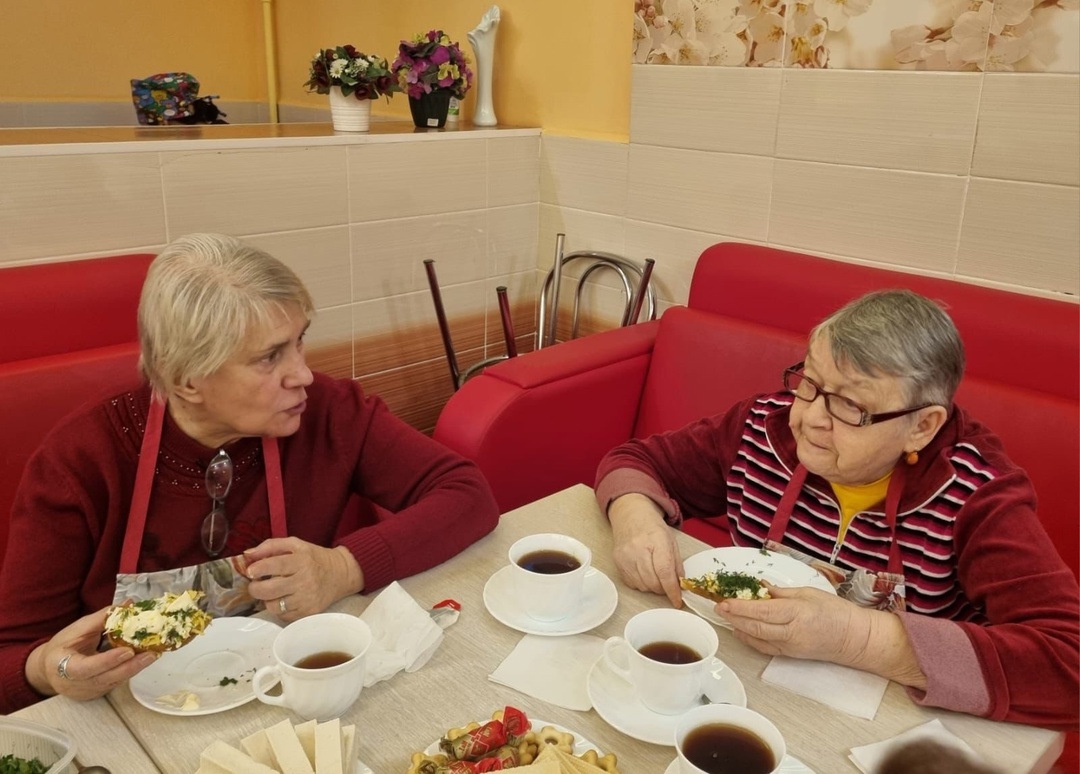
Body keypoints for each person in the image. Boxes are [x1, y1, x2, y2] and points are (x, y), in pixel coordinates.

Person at [0, 233, 499, 714]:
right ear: (186, 380)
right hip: (136, 720)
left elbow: (467, 493)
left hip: (288, 695)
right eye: (269, 357)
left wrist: (342, 568)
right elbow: (10, 658)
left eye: (299, 342)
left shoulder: (328, 412)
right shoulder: (82, 459)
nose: (302, 374)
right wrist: (47, 669)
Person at [595, 289, 1079, 729]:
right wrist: (636, 517)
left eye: (850, 407)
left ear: (921, 426)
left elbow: (1069, 664)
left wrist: (855, 638)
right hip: (737, 689)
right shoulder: (762, 427)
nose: (810, 418)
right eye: (810, 383)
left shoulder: (974, 494)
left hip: (891, 728)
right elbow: (635, 461)